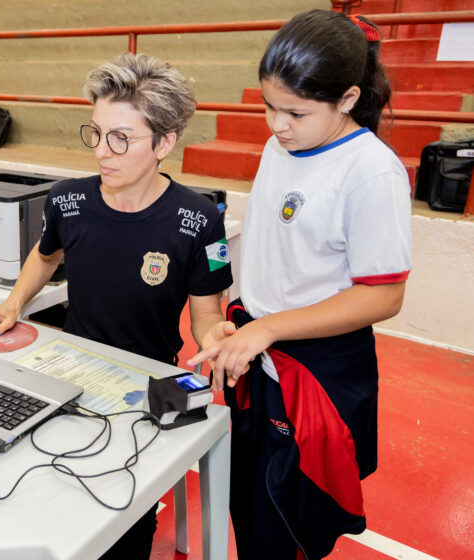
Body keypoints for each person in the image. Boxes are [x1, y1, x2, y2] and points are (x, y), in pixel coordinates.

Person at [0, 52, 233, 559]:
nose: (102, 153)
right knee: (30, 487)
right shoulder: (67, 200)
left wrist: (213, 334)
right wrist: (13, 304)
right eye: (96, 133)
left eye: (121, 139)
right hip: (65, 371)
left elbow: (204, 313)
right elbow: (44, 258)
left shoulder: (198, 220)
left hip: (145, 387)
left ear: (165, 143)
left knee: (120, 520)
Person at [189, 10, 412, 559]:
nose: (277, 124)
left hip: (316, 368)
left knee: (287, 522)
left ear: (348, 98)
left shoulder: (371, 172)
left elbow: (384, 295)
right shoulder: (279, 147)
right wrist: (237, 314)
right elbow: (279, 253)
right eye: (269, 106)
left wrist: (267, 326)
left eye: (295, 112)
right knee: (248, 502)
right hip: (258, 349)